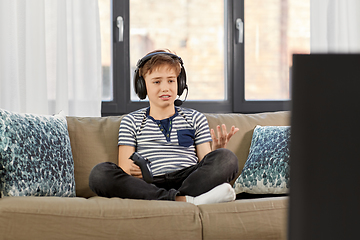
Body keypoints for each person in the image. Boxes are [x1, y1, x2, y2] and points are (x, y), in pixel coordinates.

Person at [89, 50, 239, 205]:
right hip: (149, 182)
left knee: (227, 158)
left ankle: (175, 198)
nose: (165, 88)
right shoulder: (131, 121)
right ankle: (184, 200)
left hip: (189, 179)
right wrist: (134, 170)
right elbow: (125, 169)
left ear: (179, 84)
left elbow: (205, 163)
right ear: (142, 86)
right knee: (99, 174)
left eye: (171, 81)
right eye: (156, 82)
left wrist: (215, 151)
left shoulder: (196, 118)